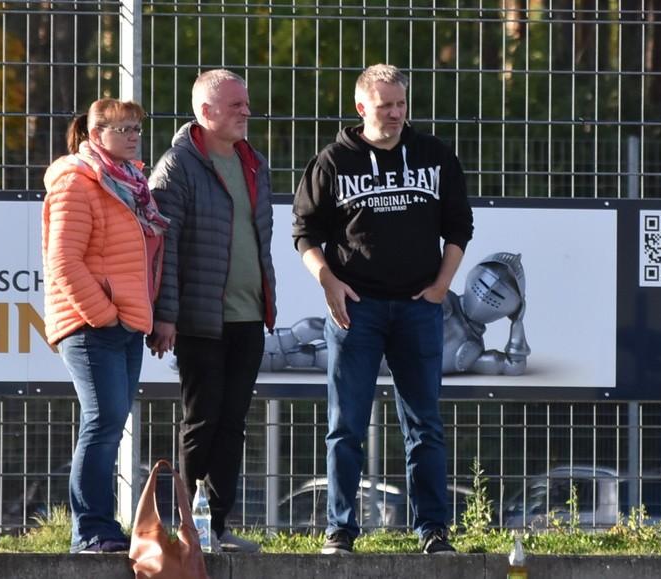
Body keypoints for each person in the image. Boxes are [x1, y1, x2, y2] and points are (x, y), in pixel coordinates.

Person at [292, 64, 474, 555]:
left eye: (400, 104)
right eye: (384, 105)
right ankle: (340, 530)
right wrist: (328, 281)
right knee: (346, 426)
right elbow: (304, 233)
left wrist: (441, 286)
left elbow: (459, 226)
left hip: (418, 308)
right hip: (357, 311)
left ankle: (432, 530)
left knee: (424, 426)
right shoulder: (332, 161)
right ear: (361, 108)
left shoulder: (434, 155)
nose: (395, 114)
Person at [147, 69, 276, 553]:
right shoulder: (177, 166)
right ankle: (189, 528)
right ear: (205, 112)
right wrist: (166, 315)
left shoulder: (254, 162)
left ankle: (217, 527)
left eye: (246, 103)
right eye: (235, 104)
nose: (247, 111)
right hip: (200, 320)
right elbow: (164, 248)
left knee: (233, 423)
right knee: (202, 421)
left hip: (249, 316)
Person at [42, 98, 169, 554]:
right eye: (123, 129)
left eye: (137, 128)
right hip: (91, 325)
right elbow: (63, 261)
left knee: (111, 423)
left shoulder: (130, 184)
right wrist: (103, 314)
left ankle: (103, 528)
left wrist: (136, 316)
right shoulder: (77, 181)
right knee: (102, 422)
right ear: (96, 135)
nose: (135, 137)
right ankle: (92, 530)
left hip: (126, 324)